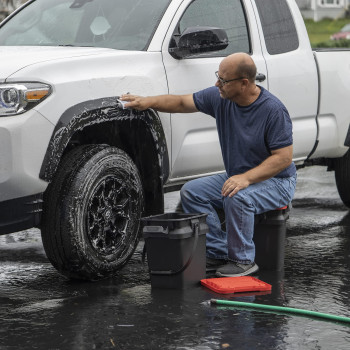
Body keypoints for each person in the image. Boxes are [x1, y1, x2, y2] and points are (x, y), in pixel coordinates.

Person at [121, 52, 297, 277]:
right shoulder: (220, 98)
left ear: (244, 83)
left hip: (278, 181)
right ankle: (219, 251)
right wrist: (147, 102)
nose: (217, 84)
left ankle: (243, 260)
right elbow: (182, 102)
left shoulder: (273, 110)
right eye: (218, 77)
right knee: (193, 192)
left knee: (237, 196)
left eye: (223, 80)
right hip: (240, 175)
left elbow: (283, 158)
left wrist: (246, 179)